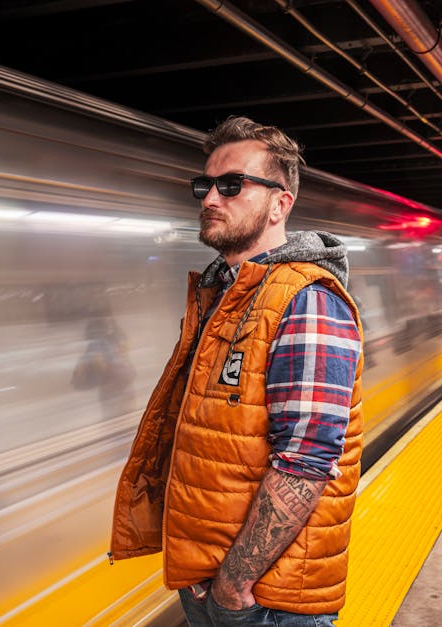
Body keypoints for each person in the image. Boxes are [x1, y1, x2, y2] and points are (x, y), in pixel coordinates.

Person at [109, 116, 363, 626]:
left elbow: (307, 460)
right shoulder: (222, 292)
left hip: (266, 602)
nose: (209, 199)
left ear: (280, 202)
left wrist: (233, 585)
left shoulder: (306, 299)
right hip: (212, 580)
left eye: (231, 185)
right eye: (205, 185)